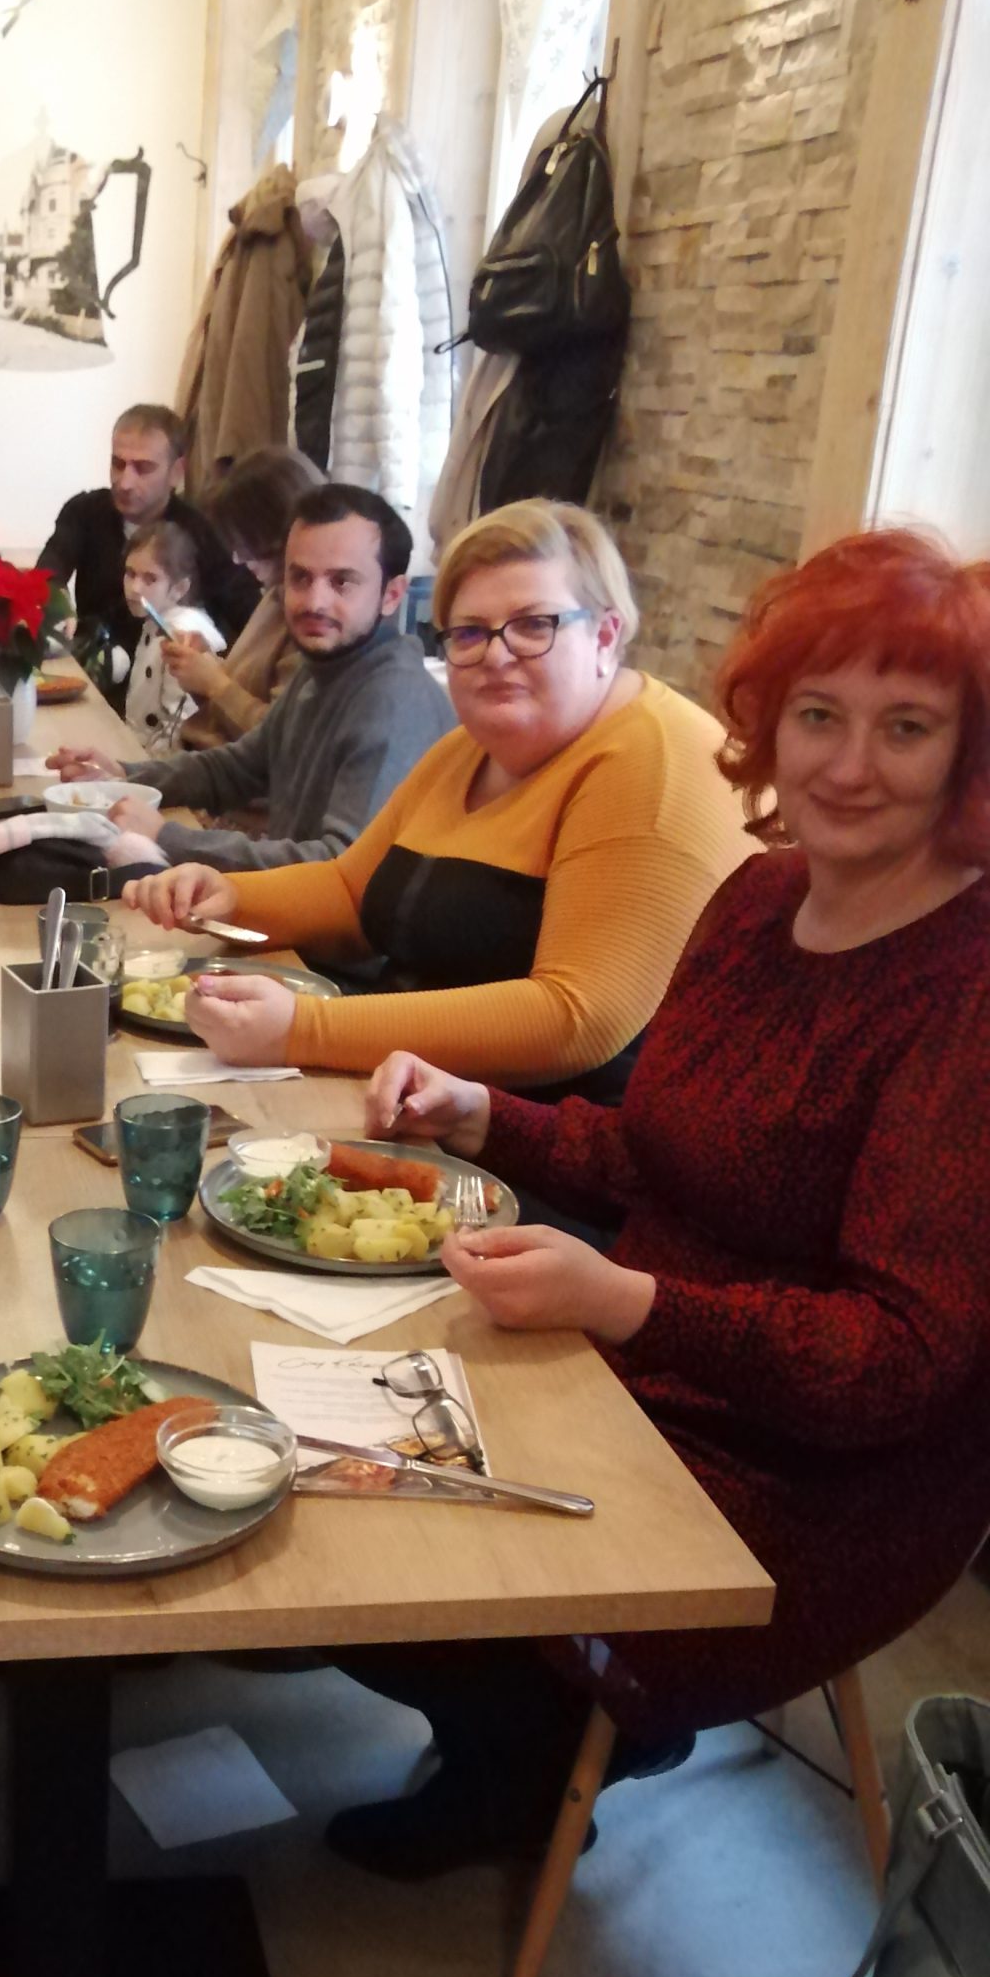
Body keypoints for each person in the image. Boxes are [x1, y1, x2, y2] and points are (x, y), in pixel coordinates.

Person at [318, 527, 990, 1876]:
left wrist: (627, 1303)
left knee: (359, 1550)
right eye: (818, 715)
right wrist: (481, 1112)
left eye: (906, 727)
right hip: (641, 1374)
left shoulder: (967, 987)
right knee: (318, 1457)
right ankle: (527, 1731)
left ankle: (541, 1754)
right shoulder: (760, 897)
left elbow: (897, 1362)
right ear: (770, 722)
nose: (848, 765)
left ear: (968, 754)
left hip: (815, 1488)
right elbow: (669, 1153)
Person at [126, 499, 750, 1099]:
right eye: (470, 632)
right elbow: (353, 891)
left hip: (551, 1143)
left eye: (534, 625)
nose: (497, 655)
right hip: (414, 1095)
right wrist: (231, 895)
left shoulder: (651, 760)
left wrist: (303, 1030)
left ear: (607, 636)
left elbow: (575, 1019)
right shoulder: (473, 747)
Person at [51, 484, 448, 876]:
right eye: (300, 578)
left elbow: (338, 867)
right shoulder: (324, 668)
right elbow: (236, 768)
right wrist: (123, 777)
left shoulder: (393, 702)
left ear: (392, 594)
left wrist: (167, 837)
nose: (315, 601)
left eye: (342, 581)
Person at [38, 404, 260, 701]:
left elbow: (250, 619)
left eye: (143, 468)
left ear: (176, 472)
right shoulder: (84, 511)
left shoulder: (205, 531)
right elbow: (49, 569)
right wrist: (56, 600)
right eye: (118, 464)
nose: (125, 482)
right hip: (95, 683)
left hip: (169, 700)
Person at [173, 444, 324, 751]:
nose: (238, 559)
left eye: (247, 546)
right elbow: (246, 693)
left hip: (231, 775)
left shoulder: (312, 621)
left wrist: (214, 684)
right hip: (207, 761)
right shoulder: (274, 595)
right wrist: (204, 668)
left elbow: (282, 741)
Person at [120, 520, 226, 748]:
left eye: (150, 579)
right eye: (130, 573)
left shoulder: (184, 633)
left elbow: (180, 727)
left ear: (179, 589)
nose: (135, 588)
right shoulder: (154, 621)